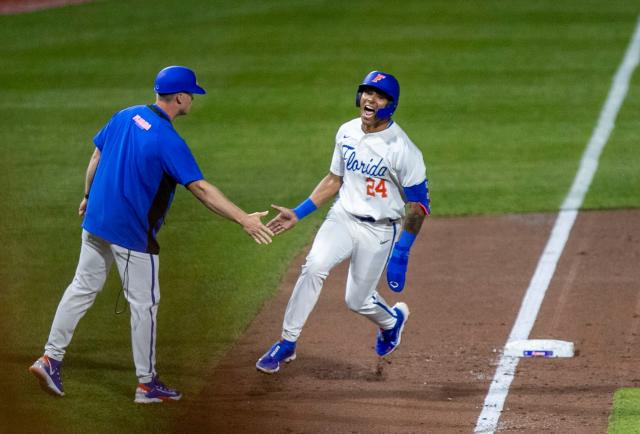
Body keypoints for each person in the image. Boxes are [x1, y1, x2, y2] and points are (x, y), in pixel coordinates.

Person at [29, 65, 274, 402]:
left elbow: (96, 157)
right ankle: (147, 384)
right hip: (131, 235)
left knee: (82, 288)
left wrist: (87, 196)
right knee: (145, 306)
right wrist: (243, 219)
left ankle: (50, 358)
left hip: (97, 221)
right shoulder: (168, 140)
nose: (192, 100)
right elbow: (201, 190)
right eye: (192, 95)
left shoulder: (124, 115)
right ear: (180, 97)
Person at [256, 70, 430, 374]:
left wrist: (402, 251)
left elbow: (418, 206)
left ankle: (392, 322)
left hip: (379, 229)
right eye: (366, 92)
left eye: (378, 95)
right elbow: (334, 179)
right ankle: (287, 342)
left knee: (357, 300)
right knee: (313, 266)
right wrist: (298, 212)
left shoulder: (403, 149)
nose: (369, 98)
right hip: (343, 217)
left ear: (390, 104)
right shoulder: (346, 131)